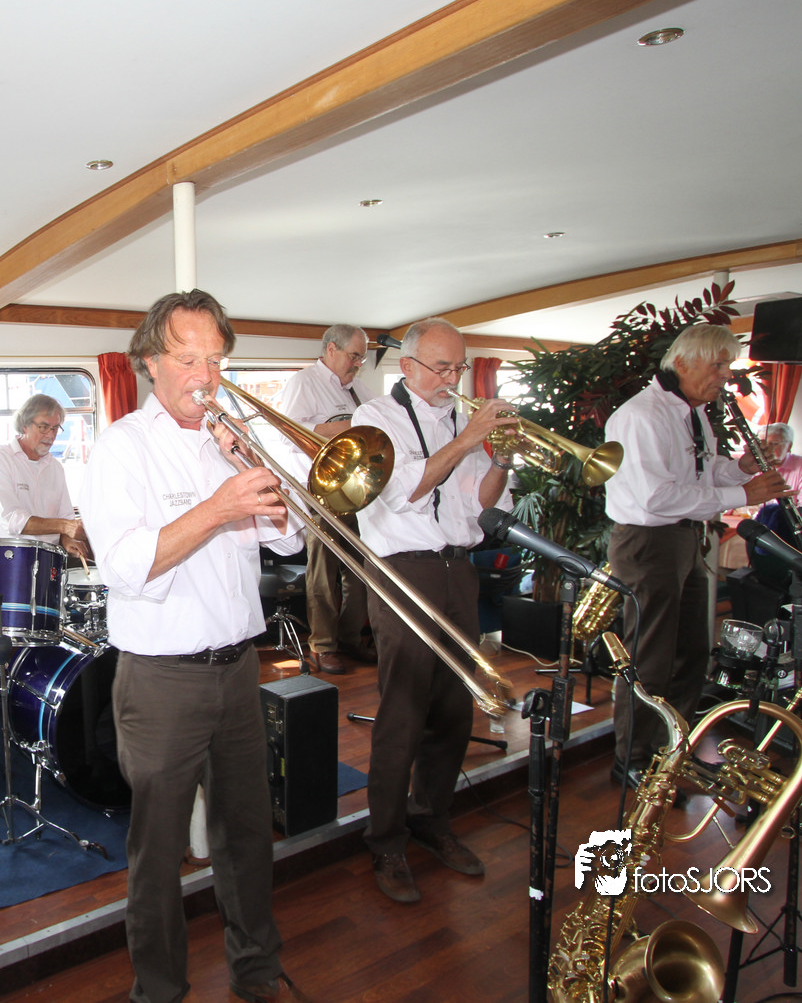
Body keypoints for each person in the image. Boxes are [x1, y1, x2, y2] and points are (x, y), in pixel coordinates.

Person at [81, 290, 309, 1003]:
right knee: (157, 849)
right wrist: (217, 508)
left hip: (238, 668)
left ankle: (256, 968)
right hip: (161, 680)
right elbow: (125, 566)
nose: (205, 376)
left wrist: (259, 471)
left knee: (246, 831)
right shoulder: (121, 447)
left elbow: (289, 542)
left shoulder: (229, 438)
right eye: (187, 359)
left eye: (215, 359)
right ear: (151, 362)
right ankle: (158, 989)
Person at [348, 316, 517, 904]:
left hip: (457, 568)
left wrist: (502, 460)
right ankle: (385, 840)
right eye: (443, 367)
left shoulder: (457, 421)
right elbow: (404, 491)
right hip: (404, 571)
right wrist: (470, 440)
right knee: (404, 708)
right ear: (409, 366)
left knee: (453, 708)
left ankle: (432, 818)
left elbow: (479, 509)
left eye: (459, 367)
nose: (453, 378)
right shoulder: (376, 418)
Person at [603, 323, 790, 788]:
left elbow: (698, 474)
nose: (726, 375)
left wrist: (740, 468)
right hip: (649, 542)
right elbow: (656, 497)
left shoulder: (692, 411)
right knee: (650, 657)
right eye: (718, 365)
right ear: (683, 363)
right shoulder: (642, 415)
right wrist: (743, 493)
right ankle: (632, 758)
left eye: (728, 365)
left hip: (686, 539)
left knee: (691, 653)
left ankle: (671, 751)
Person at [277, 324, 378, 675]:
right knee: (323, 574)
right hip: (320, 493)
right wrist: (349, 426)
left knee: (359, 573)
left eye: (362, 358)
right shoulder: (304, 382)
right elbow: (289, 431)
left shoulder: (359, 390)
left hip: (356, 492)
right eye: (354, 356)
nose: (358, 363)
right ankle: (321, 646)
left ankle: (350, 637)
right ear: (331, 349)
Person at [0, 393, 90, 558]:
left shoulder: (55, 468)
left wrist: (67, 539)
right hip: (6, 560)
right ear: (25, 425)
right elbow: (12, 520)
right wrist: (65, 526)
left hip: (49, 560)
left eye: (55, 428)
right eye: (43, 427)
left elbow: (65, 516)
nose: (50, 435)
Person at [758, 422, 802, 511]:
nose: (767, 449)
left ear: (789, 446)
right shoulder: (750, 467)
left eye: (774, 443)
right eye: (762, 444)